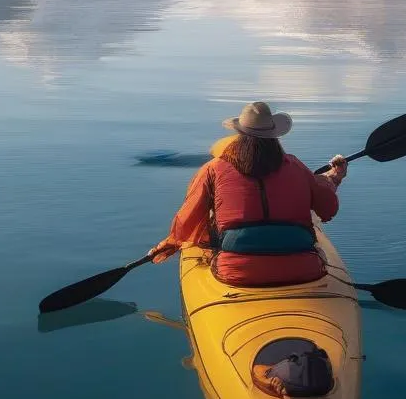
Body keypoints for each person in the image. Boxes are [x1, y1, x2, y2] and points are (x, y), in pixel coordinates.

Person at [149, 101, 349, 287]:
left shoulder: (213, 169)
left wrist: (170, 243)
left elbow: (187, 220)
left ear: (239, 136)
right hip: (303, 269)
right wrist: (334, 177)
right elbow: (328, 208)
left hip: (236, 271)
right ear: (275, 137)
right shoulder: (295, 166)